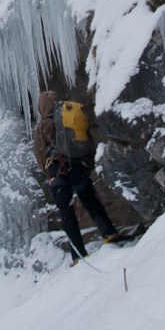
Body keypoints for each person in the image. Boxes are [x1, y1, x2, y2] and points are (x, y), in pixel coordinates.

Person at [33, 90, 120, 264]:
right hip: (78, 167)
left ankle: (78, 254)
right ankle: (109, 233)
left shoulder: (43, 125)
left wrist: (49, 171)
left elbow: (40, 154)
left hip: (58, 172)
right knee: (91, 201)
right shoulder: (70, 116)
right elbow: (87, 141)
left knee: (66, 212)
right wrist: (87, 166)